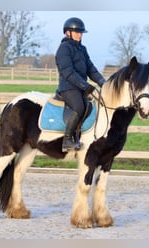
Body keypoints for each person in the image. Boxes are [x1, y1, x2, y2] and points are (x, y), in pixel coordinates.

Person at [55, 17, 106, 152]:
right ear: (67, 33)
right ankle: (67, 140)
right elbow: (68, 72)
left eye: (81, 32)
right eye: (76, 32)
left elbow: (90, 68)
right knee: (79, 107)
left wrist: (102, 82)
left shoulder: (82, 49)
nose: (79, 35)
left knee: (91, 106)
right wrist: (84, 85)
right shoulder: (64, 49)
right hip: (68, 87)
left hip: (80, 87)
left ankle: (81, 136)